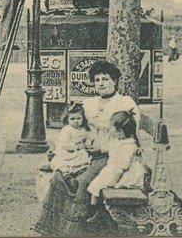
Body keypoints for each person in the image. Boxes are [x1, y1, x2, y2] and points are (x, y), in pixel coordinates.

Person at [35, 60, 141, 235]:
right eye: (97, 80)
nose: (101, 83)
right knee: (60, 176)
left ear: (114, 81)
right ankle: (55, 228)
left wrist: (102, 148)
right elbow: (76, 127)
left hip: (112, 155)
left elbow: (129, 135)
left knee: (83, 181)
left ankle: (79, 225)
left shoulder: (125, 102)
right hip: (88, 153)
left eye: (106, 79)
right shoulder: (89, 103)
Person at [86, 110, 147, 205]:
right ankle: (95, 209)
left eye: (111, 127)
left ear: (120, 132)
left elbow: (122, 167)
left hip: (126, 175)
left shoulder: (129, 146)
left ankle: (98, 210)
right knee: (95, 186)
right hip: (113, 170)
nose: (109, 129)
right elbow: (110, 148)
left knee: (100, 186)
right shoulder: (118, 140)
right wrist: (97, 149)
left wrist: (114, 181)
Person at [49, 103, 92, 178]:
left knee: (84, 157)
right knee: (61, 162)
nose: (76, 121)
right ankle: (66, 174)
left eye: (79, 118)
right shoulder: (67, 129)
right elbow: (64, 143)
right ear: (67, 119)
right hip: (67, 151)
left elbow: (88, 138)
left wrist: (87, 144)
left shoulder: (83, 129)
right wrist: (76, 147)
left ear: (83, 119)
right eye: (72, 119)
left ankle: (78, 170)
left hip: (79, 151)